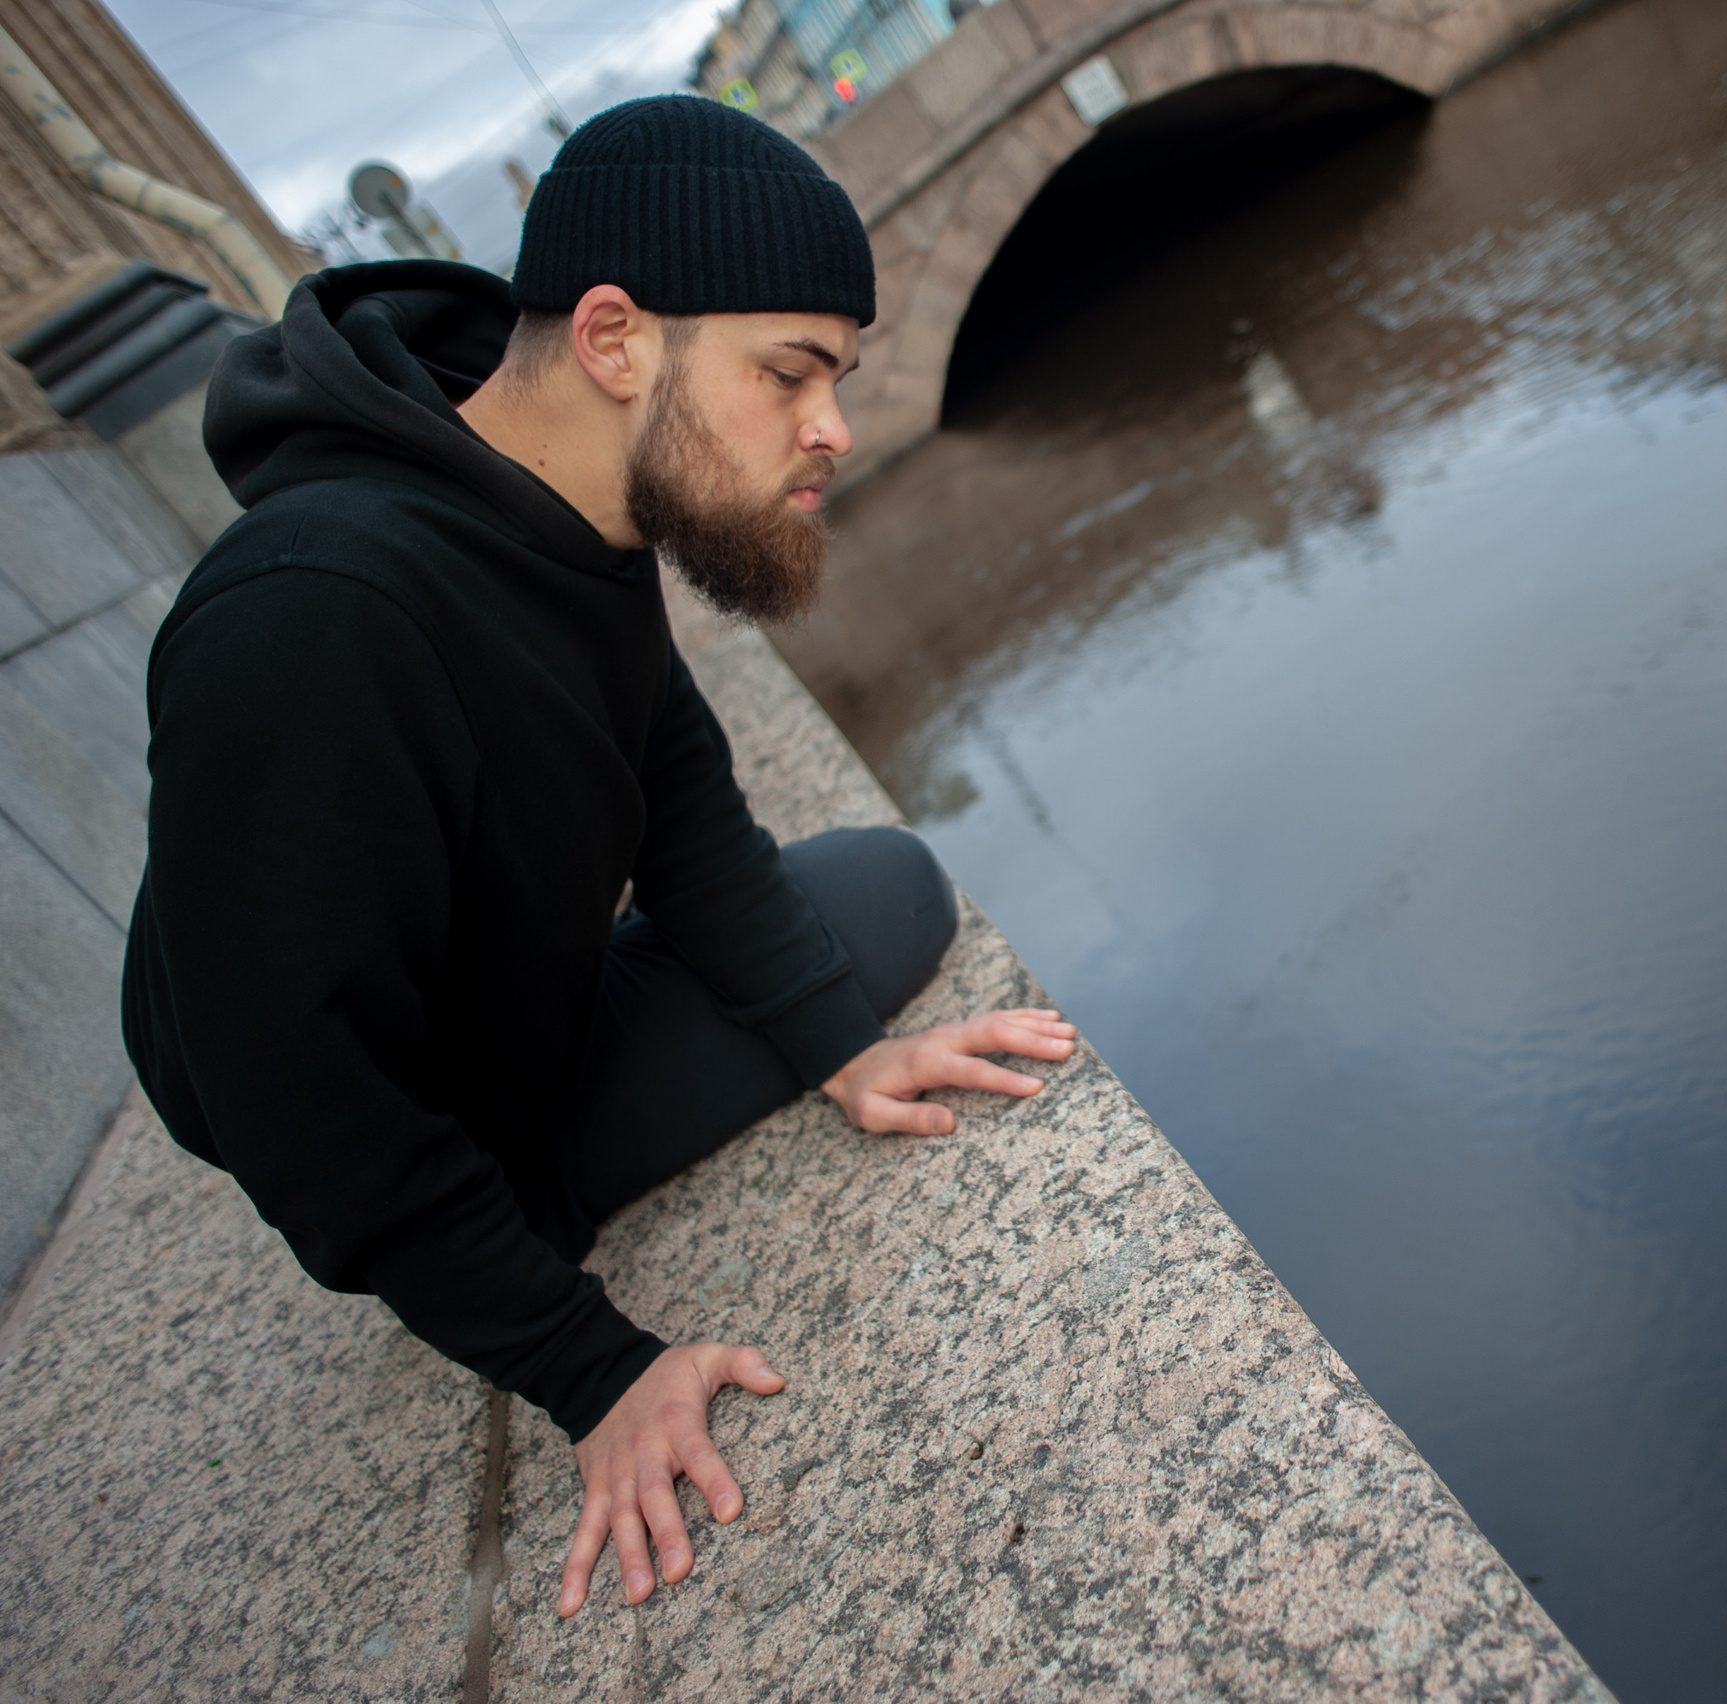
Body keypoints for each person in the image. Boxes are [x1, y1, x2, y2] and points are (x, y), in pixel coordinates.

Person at [119, 96, 1075, 1620]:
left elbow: (681, 791)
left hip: (538, 1016)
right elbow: (297, 1105)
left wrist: (840, 1048)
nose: (832, 426)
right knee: (457, 1171)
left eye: (836, 377)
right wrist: (591, 1367)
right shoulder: (309, 618)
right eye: (790, 374)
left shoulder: (575, 504)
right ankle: (520, 1227)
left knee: (887, 895)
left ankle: (600, 1151)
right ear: (617, 338)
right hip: (423, 1125)